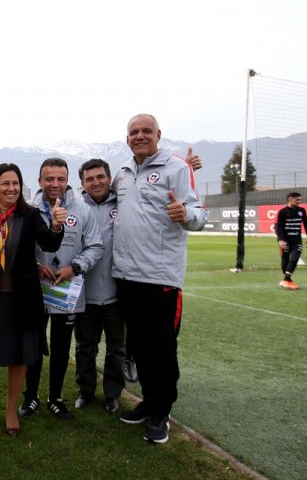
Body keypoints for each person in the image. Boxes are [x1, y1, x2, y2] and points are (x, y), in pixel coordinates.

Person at [113, 114, 207, 444]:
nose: (139, 136)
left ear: (158, 135)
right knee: (138, 347)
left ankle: (161, 414)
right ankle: (149, 403)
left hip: (160, 278)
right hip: (125, 276)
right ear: (127, 138)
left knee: (162, 349)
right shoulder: (122, 173)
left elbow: (200, 215)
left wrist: (186, 215)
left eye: (145, 131)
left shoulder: (177, 169)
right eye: (133, 132)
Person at [0, 163, 66, 437]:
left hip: (21, 299)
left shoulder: (30, 215)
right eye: (5, 184)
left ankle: (11, 409)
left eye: (16, 184)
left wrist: (57, 226)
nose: (11, 189)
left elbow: (49, 243)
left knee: (20, 356)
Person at [20, 158, 102, 420]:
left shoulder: (82, 210)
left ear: (68, 181)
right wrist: (34, 265)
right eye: (49, 179)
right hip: (35, 289)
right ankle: (30, 396)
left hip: (67, 289)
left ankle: (55, 397)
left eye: (61, 179)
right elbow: (16, 249)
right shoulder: (28, 209)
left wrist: (74, 267)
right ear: (40, 181)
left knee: (61, 347)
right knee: (33, 345)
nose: (55, 184)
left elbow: (96, 246)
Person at [74, 158, 128, 414]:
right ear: (82, 183)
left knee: (116, 349)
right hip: (85, 294)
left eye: (100, 177)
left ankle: (113, 394)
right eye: (89, 179)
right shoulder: (76, 208)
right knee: (86, 347)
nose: (96, 182)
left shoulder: (124, 203)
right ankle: (85, 391)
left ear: (109, 178)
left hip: (118, 294)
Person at [275, 192, 307, 290]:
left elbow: (305, 224)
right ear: (290, 199)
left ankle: (285, 280)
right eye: (297, 200)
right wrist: (281, 240)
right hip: (285, 240)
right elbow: (278, 227)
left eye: (300, 200)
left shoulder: (302, 210)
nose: (299, 202)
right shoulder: (282, 212)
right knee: (285, 261)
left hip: (297, 240)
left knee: (295, 258)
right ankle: (287, 280)